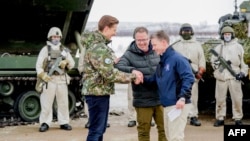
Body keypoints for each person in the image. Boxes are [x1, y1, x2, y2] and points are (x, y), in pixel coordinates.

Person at [79, 15, 143, 141]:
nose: (115, 33)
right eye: (114, 30)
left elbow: (103, 68)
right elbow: (110, 74)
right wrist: (133, 76)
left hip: (97, 92)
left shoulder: (98, 45)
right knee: (96, 130)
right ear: (106, 28)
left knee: (99, 129)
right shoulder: (99, 48)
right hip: (97, 94)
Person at [115, 26, 167, 141]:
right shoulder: (129, 53)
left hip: (161, 98)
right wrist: (133, 70)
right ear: (134, 39)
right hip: (143, 100)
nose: (142, 43)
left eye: (145, 39)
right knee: (143, 132)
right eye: (139, 40)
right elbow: (119, 66)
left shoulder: (156, 49)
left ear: (149, 38)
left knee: (165, 130)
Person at [145, 30, 194, 141]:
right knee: (170, 136)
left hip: (177, 104)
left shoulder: (177, 59)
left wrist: (182, 98)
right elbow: (154, 80)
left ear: (163, 42)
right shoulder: (163, 61)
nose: (153, 48)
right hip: (168, 106)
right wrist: (137, 77)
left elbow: (188, 77)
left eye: (154, 45)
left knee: (175, 138)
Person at [36, 27, 75, 132]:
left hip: (62, 79)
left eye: (58, 36)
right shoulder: (45, 50)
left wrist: (66, 62)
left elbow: (72, 64)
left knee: (63, 102)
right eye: (54, 36)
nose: (56, 38)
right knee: (46, 102)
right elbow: (39, 66)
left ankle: (64, 122)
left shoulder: (64, 50)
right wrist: (42, 75)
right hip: (50, 80)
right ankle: (45, 122)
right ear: (50, 37)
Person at [210, 26, 248, 126]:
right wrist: (219, 64)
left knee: (237, 98)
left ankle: (238, 118)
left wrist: (242, 73)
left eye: (229, 34)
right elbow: (213, 62)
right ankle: (220, 117)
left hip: (234, 76)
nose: (227, 36)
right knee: (220, 98)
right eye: (225, 34)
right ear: (222, 35)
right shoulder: (218, 48)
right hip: (221, 77)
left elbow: (243, 63)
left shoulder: (238, 47)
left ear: (232, 35)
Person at [172, 23, 206, 126]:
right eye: (184, 31)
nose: (186, 33)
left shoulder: (197, 45)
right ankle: (177, 116)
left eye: (188, 31)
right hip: (178, 76)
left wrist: (200, 71)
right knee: (178, 96)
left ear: (191, 32)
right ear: (180, 32)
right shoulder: (175, 45)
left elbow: (202, 60)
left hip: (192, 75)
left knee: (193, 96)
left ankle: (193, 116)